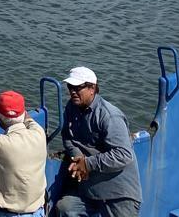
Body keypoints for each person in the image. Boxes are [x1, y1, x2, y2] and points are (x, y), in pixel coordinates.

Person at [56, 66, 142, 217]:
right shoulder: (71, 108)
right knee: (66, 208)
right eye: (70, 87)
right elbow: (67, 137)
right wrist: (78, 157)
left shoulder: (109, 116)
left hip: (117, 192)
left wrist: (88, 164)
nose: (73, 91)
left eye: (78, 87)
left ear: (92, 88)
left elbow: (124, 154)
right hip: (89, 189)